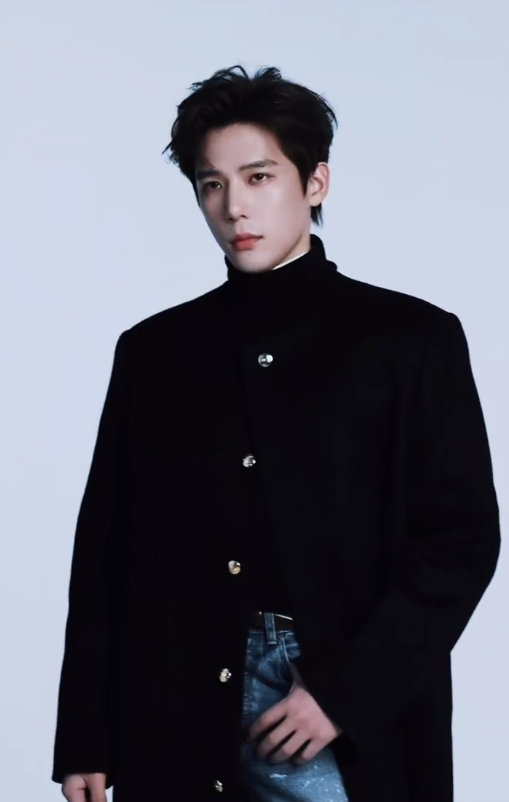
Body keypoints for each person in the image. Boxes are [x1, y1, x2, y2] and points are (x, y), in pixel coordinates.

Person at [52, 65, 500, 802]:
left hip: (324, 708)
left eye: (259, 177)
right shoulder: (153, 352)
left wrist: (345, 691)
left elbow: (459, 542)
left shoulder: (409, 340)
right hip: (169, 705)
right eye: (211, 184)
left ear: (315, 182)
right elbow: (103, 552)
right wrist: (85, 736)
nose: (234, 207)